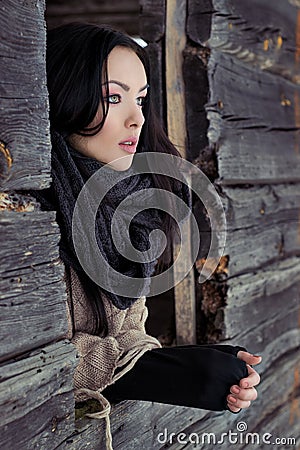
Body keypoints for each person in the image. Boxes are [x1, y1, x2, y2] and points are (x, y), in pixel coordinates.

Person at [37, 22, 261, 449]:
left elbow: (127, 331)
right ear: (65, 97)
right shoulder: (27, 218)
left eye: (140, 99)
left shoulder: (128, 211)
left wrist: (185, 362)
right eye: (113, 97)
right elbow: (28, 357)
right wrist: (153, 372)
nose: (137, 117)